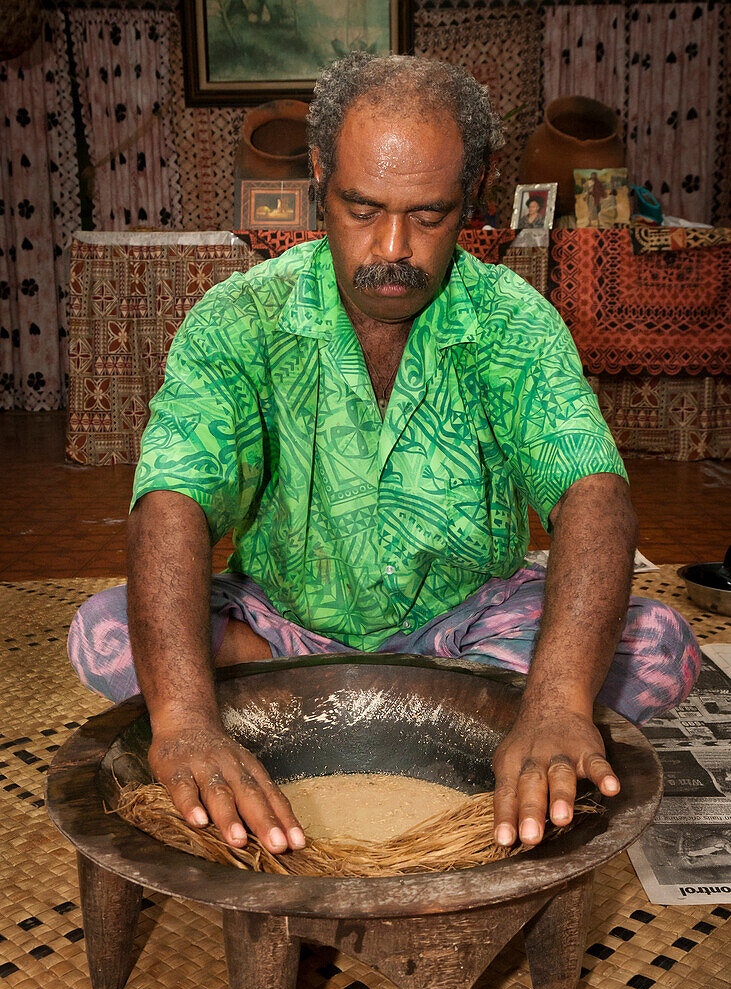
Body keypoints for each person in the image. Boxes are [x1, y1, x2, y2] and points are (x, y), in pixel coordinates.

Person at [68, 53, 700, 859]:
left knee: (655, 641)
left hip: (470, 628)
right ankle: (434, 723)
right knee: (104, 631)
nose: (392, 248)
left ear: (475, 189)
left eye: (430, 215)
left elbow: (592, 495)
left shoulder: (514, 322)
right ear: (319, 176)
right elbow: (173, 502)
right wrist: (187, 725)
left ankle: (348, 715)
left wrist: (556, 699)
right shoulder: (240, 318)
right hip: (285, 628)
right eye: (362, 207)